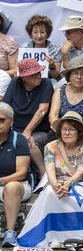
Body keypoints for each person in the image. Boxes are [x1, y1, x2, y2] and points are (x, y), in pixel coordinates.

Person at [48, 57, 83, 145]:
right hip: (63, 129)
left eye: (82, 74)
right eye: (75, 73)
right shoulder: (60, 91)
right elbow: (53, 115)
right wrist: (59, 128)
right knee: (51, 135)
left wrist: (80, 131)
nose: (79, 77)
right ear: (69, 76)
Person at [0, 102, 32, 247]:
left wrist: (1, 181)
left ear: (11, 122)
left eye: (1, 120)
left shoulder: (18, 140)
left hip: (18, 185)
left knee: (11, 187)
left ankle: (10, 231)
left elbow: (21, 173)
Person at [4, 58, 53, 150]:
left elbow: (42, 110)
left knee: (26, 144)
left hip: (38, 131)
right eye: (33, 75)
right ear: (23, 78)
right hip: (15, 129)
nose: (38, 76)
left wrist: (27, 131)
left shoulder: (46, 83)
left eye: (39, 72)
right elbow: (5, 108)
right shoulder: (15, 82)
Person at [44, 111, 83, 198]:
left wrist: (67, 184)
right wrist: (56, 185)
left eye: (71, 129)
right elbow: (50, 170)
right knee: (49, 192)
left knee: (75, 194)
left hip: (80, 183)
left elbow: (81, 172)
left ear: (79, 132)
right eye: (64, 129)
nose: (67, 133)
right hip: (57, 184)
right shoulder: (51, 146)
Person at [21, 15, 62, 79]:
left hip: (48, 81)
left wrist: (52, 65)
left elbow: (55, 76)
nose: (39, 36)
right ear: (31, 34)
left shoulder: (55, 49)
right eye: (35, 32)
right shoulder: (24, 47)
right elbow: (19, 71)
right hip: (28, 81)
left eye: (42, 32)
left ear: (47, 33)